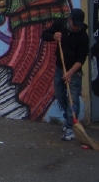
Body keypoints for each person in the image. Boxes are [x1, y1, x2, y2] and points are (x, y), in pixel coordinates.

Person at [41, 8, 90, 141]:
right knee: (59, 94)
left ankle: (70, 128)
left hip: (74, 72)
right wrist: (53, 36)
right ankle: (68, 119)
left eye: (79, 25)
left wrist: (70, 73)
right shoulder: (60, 25)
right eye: (75, 24)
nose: (77, 27)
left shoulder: (83, 37)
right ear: (70, 20)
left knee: (73, 100)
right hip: (60, 68)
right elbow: (44, 35)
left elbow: (81, 60)